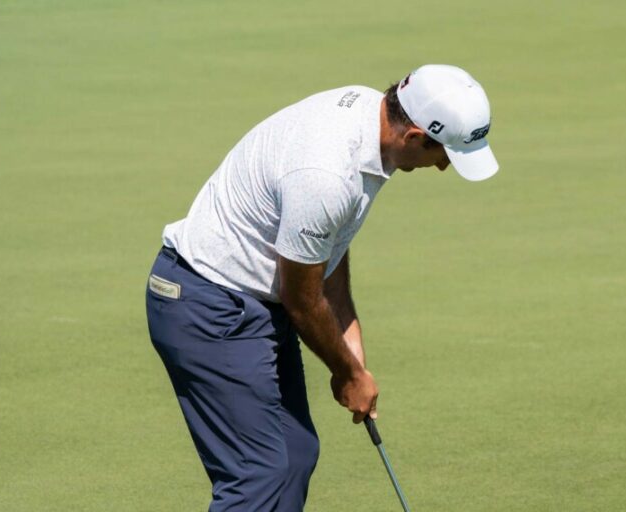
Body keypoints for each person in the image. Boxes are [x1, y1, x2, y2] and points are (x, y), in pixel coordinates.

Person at [144, 64, 498, 511]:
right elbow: (302, 299)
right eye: (445, 153)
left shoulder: (368, 114)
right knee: (259, 473)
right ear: (413, 136)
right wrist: (349, 373)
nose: (444, 165)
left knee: (294, 455)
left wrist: (348, 330)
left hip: (249, 300)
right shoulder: (326, 174)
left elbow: (326, 244)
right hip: (209, 304)